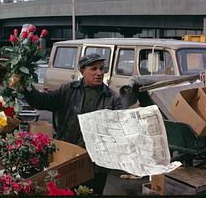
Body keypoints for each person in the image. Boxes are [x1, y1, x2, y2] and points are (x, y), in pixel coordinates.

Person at [9, 53, 122, 195]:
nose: (99, 73)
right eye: (93, 69)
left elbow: (119, 129)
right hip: (68, 157)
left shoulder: (112, 98)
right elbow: (41, 101)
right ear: (82, 71)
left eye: (101, 68)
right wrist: (26, 85)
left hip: (96, 164)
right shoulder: (67, 91)